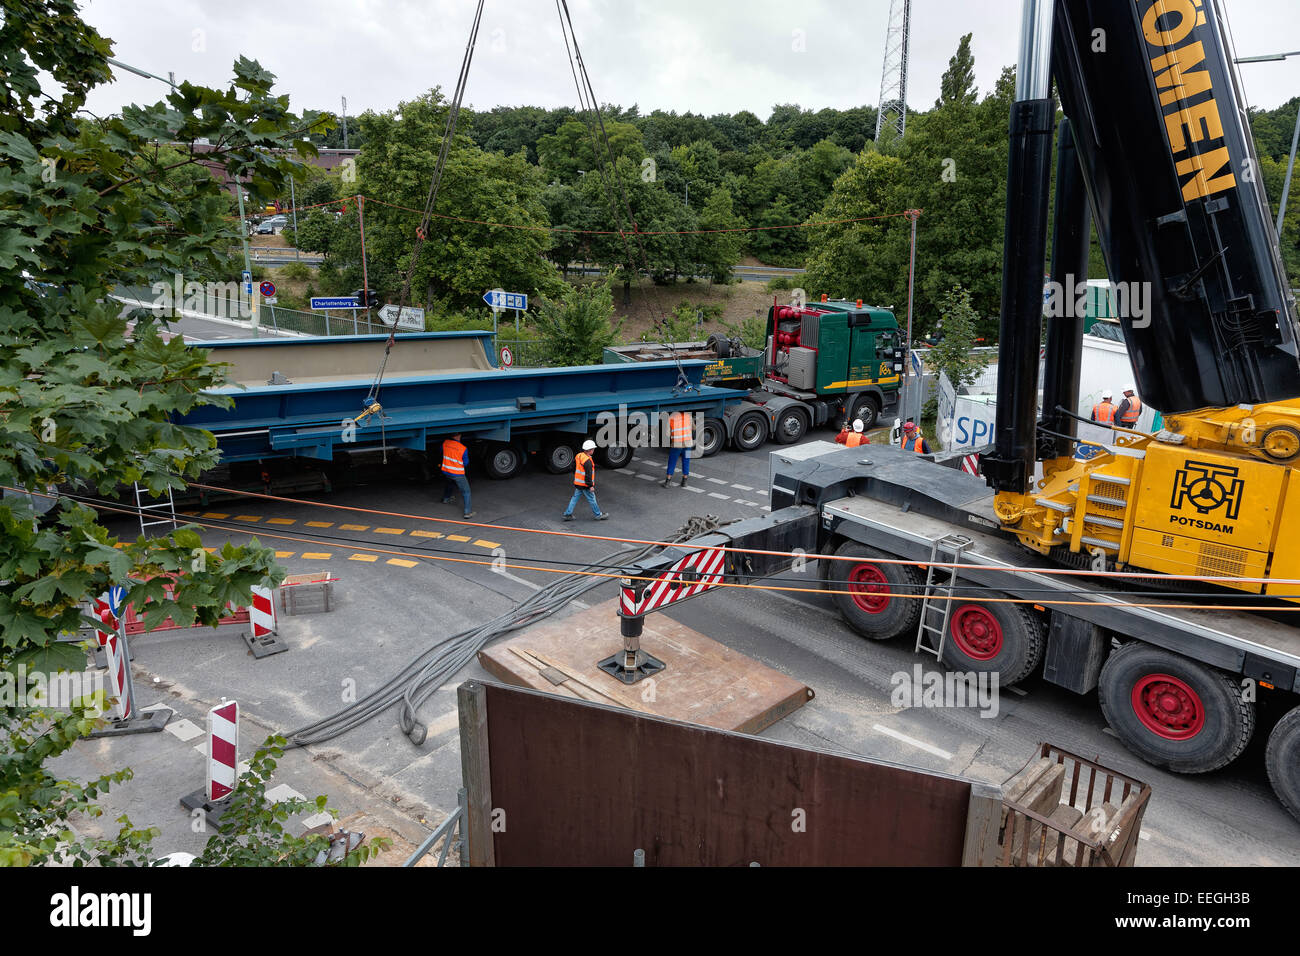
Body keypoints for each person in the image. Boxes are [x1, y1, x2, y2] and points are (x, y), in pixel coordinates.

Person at [564, 439, 609, 521]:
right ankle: (598, 515)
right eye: (593, 449)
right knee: (592, 499)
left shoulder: (579, 456)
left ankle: (567, 514)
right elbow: (588, 475)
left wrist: (576, 475)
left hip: (578, 483)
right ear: (590, 450)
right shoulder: (587, 461)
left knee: (574, 498)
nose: (594, 450)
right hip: (585, 485)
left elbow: (573, 467)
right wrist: (590, 486)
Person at [440, 432, 474, 519]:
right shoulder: (463, 448)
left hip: (446, 471)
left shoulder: (445, 443)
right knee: (466, 492)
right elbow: (466, 463)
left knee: (449, 483)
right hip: (457, 474)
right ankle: (467, 512)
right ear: (459, 436)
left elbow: (441, 451)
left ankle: (446, 498)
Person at [661, 410, 693, 488]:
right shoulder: (689, 416)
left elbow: (667, 434)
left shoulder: (671, 418)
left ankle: (668, 481)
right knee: (686, 460)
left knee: (672, 461)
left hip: (676, 445)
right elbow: (693, 428)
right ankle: (685, 481)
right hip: (688, 444)